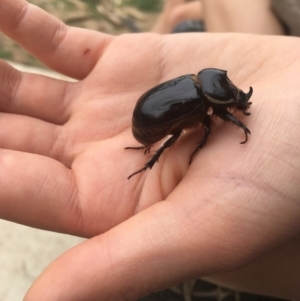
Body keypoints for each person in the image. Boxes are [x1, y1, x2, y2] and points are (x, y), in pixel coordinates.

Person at [0, 0, 300, 300]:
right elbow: (208, 127)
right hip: (147, 124)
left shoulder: (202, 89)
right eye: (232, 101)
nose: (236, 104)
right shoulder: (204, 103)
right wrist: (238, 121)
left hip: (148, 115)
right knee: (176, 135)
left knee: (184, 31)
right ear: (218, 98)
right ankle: (147, 164)